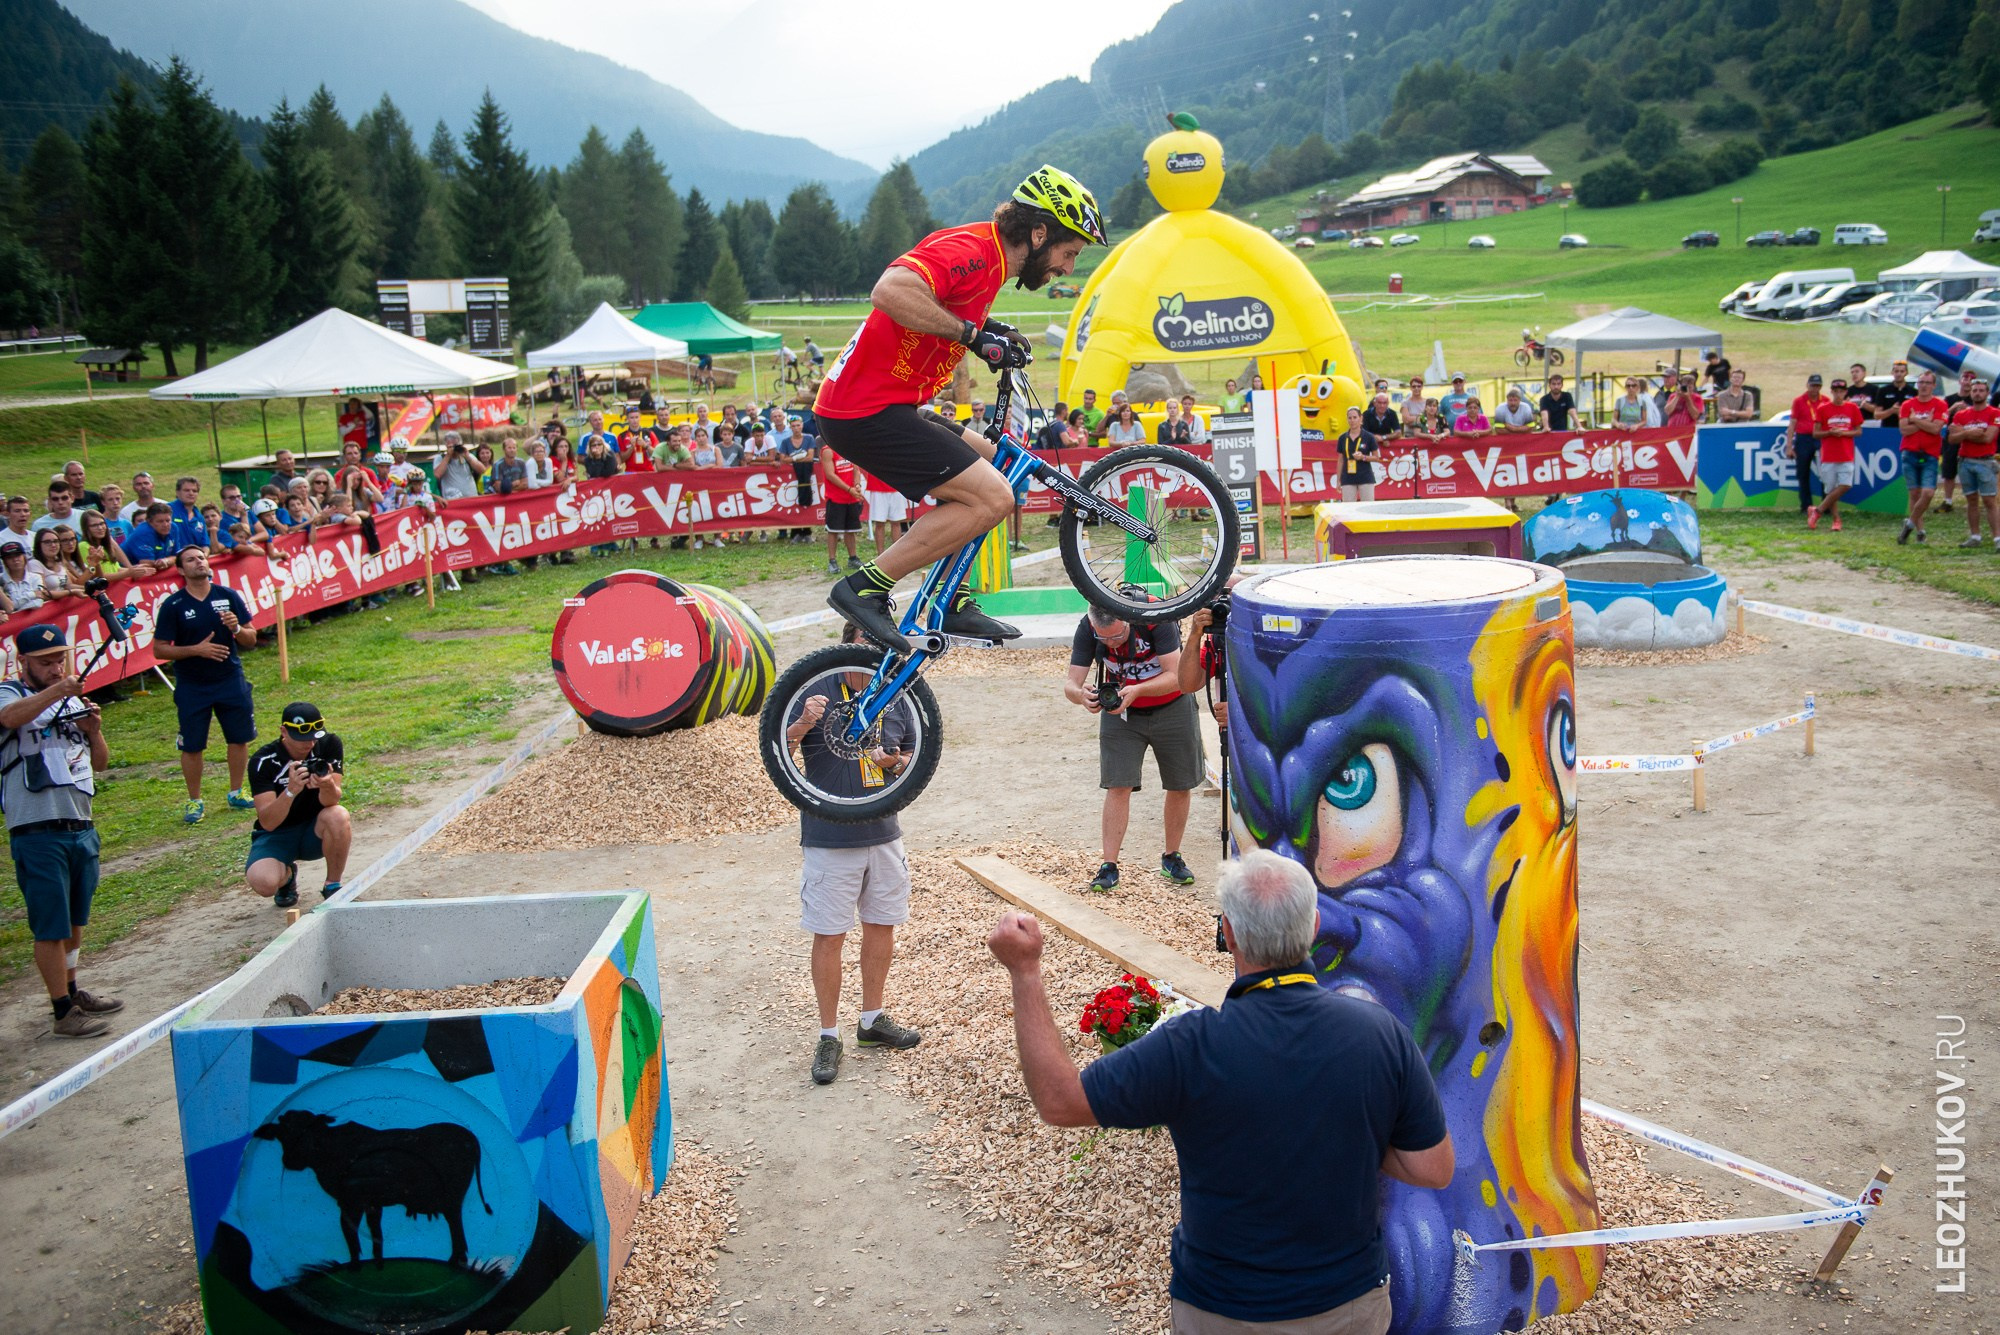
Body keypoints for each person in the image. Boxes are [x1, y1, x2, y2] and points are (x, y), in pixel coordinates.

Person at [986, 850, 1451, 1334]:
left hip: (1224, 1310)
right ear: (1313, 926)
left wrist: (1025, 972)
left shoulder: (1189, 1046)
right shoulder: (1380, 1033)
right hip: (1346, 1306)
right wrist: (1348, 1133)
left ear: (1228, 933)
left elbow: (1059, 1102)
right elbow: (1432, 1168)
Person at [813, 166, 1105, 649]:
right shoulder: (972, 250)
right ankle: (864, 588)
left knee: (999, 469)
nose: (1068, 268)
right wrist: (972, 337)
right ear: (1038, 234)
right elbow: (889, 291)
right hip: (863, 411)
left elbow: (952, 306)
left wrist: (990, 330)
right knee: (993, 498)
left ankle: (951, 599)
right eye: (1068, 252)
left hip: (892, 405)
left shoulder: (992, 266)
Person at [783, 622, 924, 1085]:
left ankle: (871, 1020)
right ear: (847, 648)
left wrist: (895, 762)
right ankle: (828, 1035)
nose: (874, 661)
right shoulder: (816, 686)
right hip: (828, 837)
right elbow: (777, 750)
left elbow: (913, 756)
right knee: (829, 935)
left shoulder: (897, 696)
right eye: (866, 650)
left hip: (884, 834)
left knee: (881, 926)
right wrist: (804, 721)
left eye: (881, 652)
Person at [1, 624, 122, 1038]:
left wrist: (94, 730)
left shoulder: (69, 701)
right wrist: (59, 691)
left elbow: (101, 762)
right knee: (50, 924)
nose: (55, 669)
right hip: (37, 828)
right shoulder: (12, 694)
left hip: (80, 823)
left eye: (60, 660)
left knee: (74, 919)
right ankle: (61, 1012)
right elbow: (7, 718)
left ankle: (72, 991)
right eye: (45, 662)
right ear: (23, 663)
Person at [1066, 604, 1203, 893]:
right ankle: (1109, 866)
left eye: (1117, 636)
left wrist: (1138, 689)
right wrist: (1082, 696)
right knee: (1118, 784)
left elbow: (1177, 676)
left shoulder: (1155, 617)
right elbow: (1071, 684)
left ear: (1129, 620)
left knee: (1179, 784)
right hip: (1121, 714)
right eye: (1105, 640)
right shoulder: (1088, 627)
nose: (1112, 644)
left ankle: (1172, 857)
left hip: (1173, 706)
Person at [152, 545, 260, 824]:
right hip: (192, 685)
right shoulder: (173, 605)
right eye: (191, 559)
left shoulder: (228, 596)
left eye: (201, 557)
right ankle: (194, 801)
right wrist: (196, 650)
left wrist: (236, 629)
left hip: (230, 679)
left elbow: (251, 639)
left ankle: (236, 792)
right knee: (192, 745)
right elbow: (160, 650)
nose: (199, 562)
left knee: (238, 737)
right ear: (180, 570)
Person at [245, 702, 351, 910]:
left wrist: (327, 784)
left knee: (338, 815)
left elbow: (332, 801)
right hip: (278, 833)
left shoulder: (329, 744)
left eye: (314, 737)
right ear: (283, 731)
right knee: (263, 883)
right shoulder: (264, 761)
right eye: (302, 738)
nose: (309, 744)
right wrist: (291, 790)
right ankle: (287, 877)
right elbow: (268, 822)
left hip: (315, 829)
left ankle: (333, 886)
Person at [1897, 371, 1950, 545]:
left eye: (1928, 382)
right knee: (1914, 494)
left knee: (1927, 493)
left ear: (1934, 385)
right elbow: (1904, 430)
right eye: (1921, 382)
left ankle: (1909, 525)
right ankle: (1920, 531)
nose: (1924, 385)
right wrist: (1925, 422)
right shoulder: (1907, 404)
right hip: (1909, 452)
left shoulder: (1940, 405)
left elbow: (1936, 429)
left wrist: (1915, 420)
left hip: (1930, 454)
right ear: (1917, 385)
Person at [1808, 378, 1866, 532]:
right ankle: (1836, 520)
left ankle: (1818, 511)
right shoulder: (1823, 409)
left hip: (1846, 454)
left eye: (1841, 391)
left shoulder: (1852, 408)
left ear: (1846, 392)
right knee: (1830, 489)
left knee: (1846, 485)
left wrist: (1845, 433)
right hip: (1829, 454)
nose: (1839, 394)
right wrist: (1829, 432)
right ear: (1832, 392)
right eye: (1836, 391)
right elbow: (1815, 433)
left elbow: (1859, 431)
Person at [1948, 378, 2000, 547]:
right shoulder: (1961, 414)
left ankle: (1997, 538)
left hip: (1985, 461)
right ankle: (1975, 536)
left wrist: (1963, 431)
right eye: (1975, 390)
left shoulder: (1995, 413)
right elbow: (1952, 439)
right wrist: (1971, 432)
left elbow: (1988, 437)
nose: (1977, 393)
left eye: (1981, 390)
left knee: (1989, 501)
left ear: (1987, 393)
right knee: (1971, 500)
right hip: (1965, 461)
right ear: (1970, 393)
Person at [1783, 373, 1826, 518]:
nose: (1815, 389)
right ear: (1807, 385)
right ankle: (1805, 506)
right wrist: (1789, 446)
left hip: (1820, 437)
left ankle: (1825, 506)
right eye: (1813, 385)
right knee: (1803, 473)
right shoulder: (1799, 401)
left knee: (1825, 473)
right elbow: (1793, 423)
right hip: (1803, 438)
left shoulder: (1825, 400)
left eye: (1818, 386)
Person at [819, 445, 866, 573]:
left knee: (851, 530)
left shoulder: (848, 447)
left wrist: (857, 485)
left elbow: (856, 469)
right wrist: (849, 489)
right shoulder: (827, 450)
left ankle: (853, 558)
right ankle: (832, 561)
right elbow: (830, 475)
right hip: (835, 498)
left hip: (851, 497)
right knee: (833, 531)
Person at [1334, 406, 1381, 502]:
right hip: (1348, 477)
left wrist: (1363, 457)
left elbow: (1376, 457)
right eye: (1349, 418)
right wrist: (1338, 480)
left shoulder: (1368, 437)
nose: (1352, 420)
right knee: (1348, 508)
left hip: (1365, 476)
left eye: (1355, 417)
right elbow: (1341, 460)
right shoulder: (1342, 438)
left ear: (1361, 418)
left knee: (1367, 507)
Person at [862, 464, 909, 557]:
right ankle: (880, 555)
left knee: (896, 522)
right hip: (878, 487)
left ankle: (897, 554)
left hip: (896, 486)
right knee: (879, 524)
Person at [28, 529, 78, 600]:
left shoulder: (59, 561)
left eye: (56, 541)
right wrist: (70, 592)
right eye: (47, 542)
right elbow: (43, 593)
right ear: (39, 545)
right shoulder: (34, 564)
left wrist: (90, 588)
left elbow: (69, 586)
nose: (53, 545)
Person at [0, 542, 43, 614]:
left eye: (18, 555)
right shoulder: (1, 579)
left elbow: (37, 603)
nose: (15, 560)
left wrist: (16, 605)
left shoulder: (36, 577)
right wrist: (32, 594)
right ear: (4, 562)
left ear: (24, 557)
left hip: (35, 618)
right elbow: (9, 608)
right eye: (9, 557)